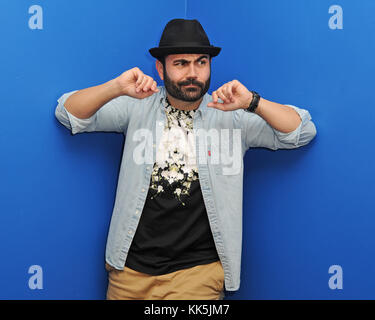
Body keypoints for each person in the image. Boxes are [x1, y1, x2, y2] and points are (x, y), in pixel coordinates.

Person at [55, 18, 317, 300]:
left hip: (198, 274)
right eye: (181, 63)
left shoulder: (233, 117)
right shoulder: (138, 107)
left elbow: (301, 131)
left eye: (201, 62)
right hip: (128, 272)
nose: (193, 73)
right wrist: (116, 87)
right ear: (161, 67)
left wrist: (253, 102)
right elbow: (69, 114)